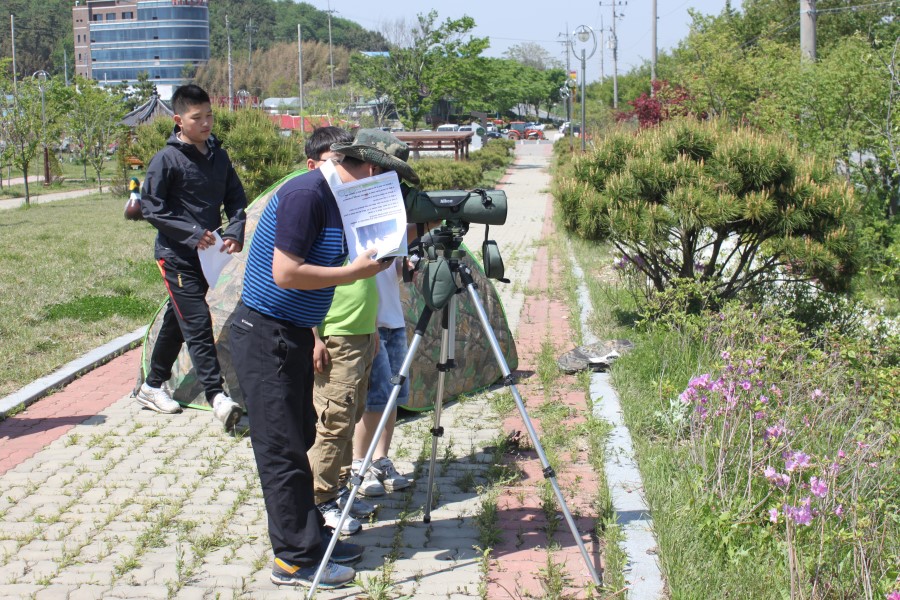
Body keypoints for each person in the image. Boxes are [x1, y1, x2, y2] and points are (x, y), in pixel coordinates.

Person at [228, 129, 417, 588]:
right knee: (283, 450)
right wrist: (353, 272)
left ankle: (313, 541)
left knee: (301, 438)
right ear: (372, 170)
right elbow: (285, 272)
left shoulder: (335, 198)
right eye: (391, 185)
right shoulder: (307, 194)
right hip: (265, 333)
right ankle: (294, 560)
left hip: (289, 333)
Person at [306, 130, 419, 536]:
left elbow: (385, 273)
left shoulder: (376, 206)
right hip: (339, 326)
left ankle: (337, 491)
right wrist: (314, 336)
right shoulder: (321, 201)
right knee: (337, 418)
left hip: (369, 323)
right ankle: (324, 501)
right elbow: (301, 277)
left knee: (368, 405)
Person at [136, 84, 246, 432]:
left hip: (208, 258)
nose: (206, 123)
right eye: (197, 118)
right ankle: (218, 398)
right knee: (197, 321)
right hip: (176, 256)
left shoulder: (219, 156)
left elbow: (237, 200)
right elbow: (151, 207)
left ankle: (152, 386)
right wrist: (192, 233)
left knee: (178, 318)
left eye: (209, 116)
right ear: (178, 120)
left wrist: (233, 232)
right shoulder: (166, 160)